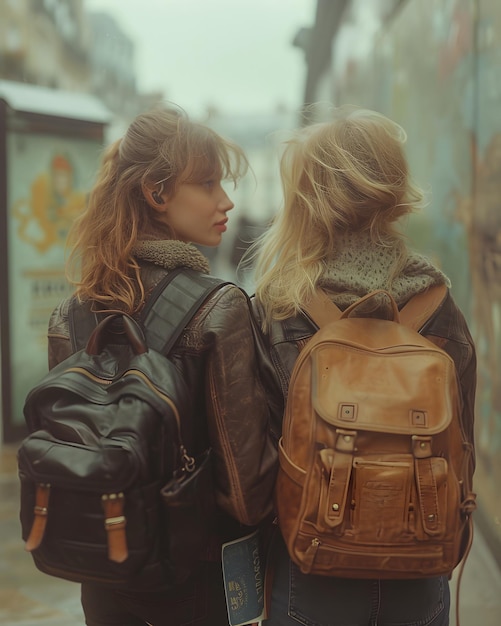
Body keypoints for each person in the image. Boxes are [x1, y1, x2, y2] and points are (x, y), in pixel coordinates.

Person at [47, 105, 277, 626]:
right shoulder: (219, 306)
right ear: (157, 192)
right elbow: (246, 493)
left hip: (101, 572)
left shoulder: (72, 315)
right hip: (195, 582)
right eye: (208, 183)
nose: (226, 200)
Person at [248, 106, 476, 626]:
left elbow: (256, 465)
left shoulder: (280, 306)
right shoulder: (439, 305)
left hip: (311, 570)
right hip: (419, 563)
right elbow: (463, 447)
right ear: (393, 192)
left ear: (310, 196)